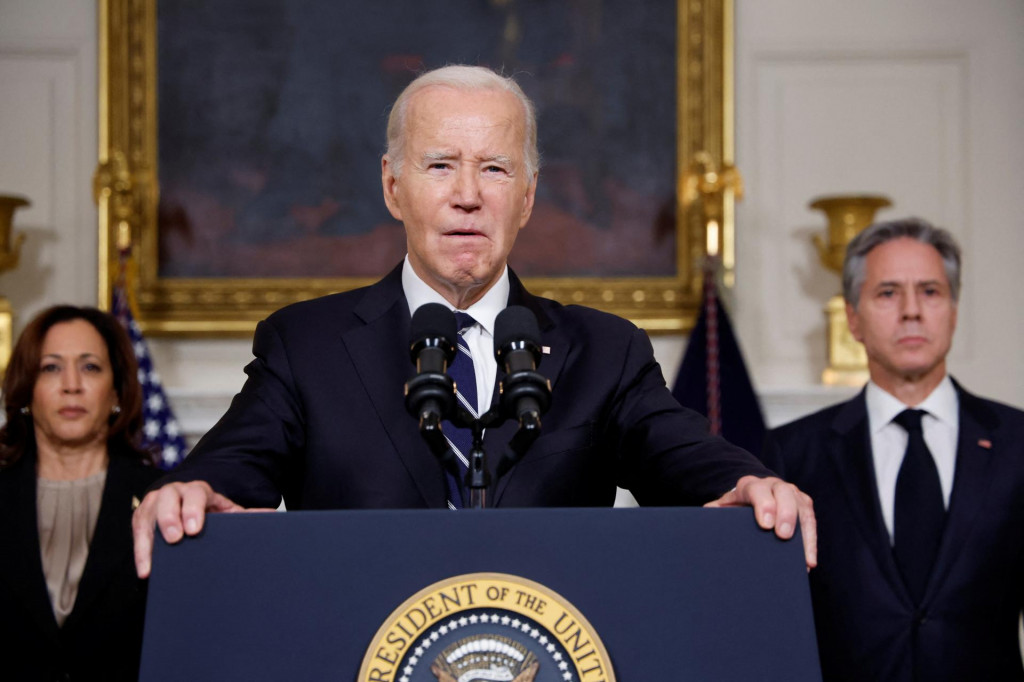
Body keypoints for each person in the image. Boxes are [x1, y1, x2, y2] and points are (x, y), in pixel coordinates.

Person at [132, 64, 816, 578]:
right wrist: (192, 492)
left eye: (494, 168)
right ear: (393, 187)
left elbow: (686, 457)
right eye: (440, 166)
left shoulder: (604, 352)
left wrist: (747, 482)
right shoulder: (307, 345)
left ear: (527, 196)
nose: (467, 196)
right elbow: (229, 467)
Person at [761, 217, 1024, 681]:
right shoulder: (792, 455)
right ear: (853, 319)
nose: (911, 311)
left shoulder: (1016, 443)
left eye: (930, 291)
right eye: (887, 293)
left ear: (954, 311)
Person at [0, 305, 163, 681]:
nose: (71, 384)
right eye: (51, 367)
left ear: (117, 391)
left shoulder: (161, 499)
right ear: (27, 389)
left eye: (90, 367)